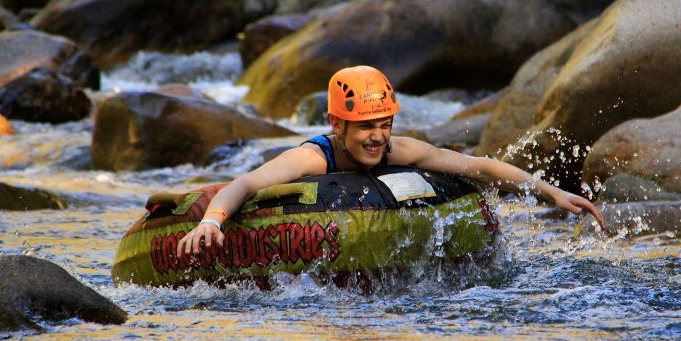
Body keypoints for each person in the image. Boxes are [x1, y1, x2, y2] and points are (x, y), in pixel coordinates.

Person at [177, 65, 606, 257]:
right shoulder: (312, 158)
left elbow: (479, 167)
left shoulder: (397, 150)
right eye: (364, 127)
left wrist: (552, 192)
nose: (377, 136)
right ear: (337, 124)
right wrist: (211, 221)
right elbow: (245, 185)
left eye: (384, 124)